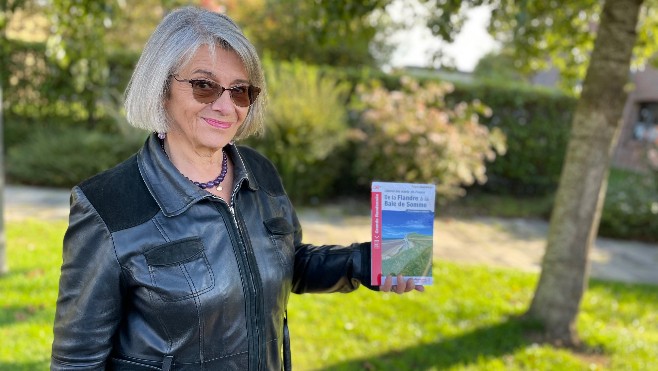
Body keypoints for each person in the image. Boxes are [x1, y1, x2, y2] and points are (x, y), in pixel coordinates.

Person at [50, 6, 422, 371]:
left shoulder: (259, 172)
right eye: (204, 86)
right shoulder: (106, 206)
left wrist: (368, 261)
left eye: (240, 91)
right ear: (161, 88)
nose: (225, 106)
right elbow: (75, 362)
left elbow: (289, 262)